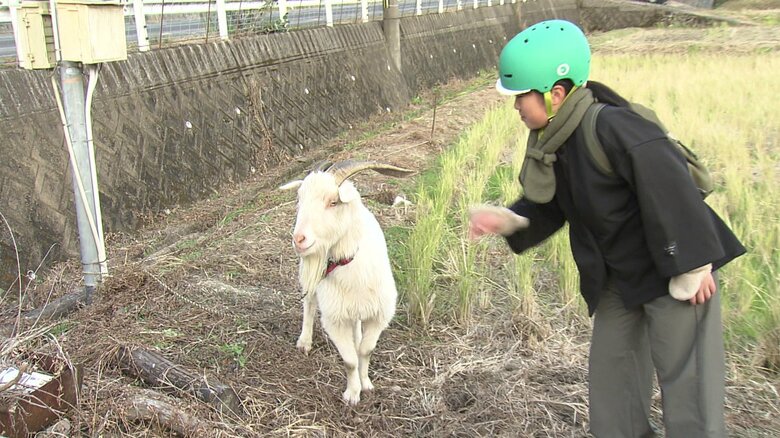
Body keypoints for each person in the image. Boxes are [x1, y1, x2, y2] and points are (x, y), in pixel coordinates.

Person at [468, 19, 745, 438]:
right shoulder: (555, 140)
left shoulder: (612, 126)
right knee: (613, 385)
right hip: (619, 278)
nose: (516, 107)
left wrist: (695, 264)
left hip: (672, 269)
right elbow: (555, 204)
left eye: (520, 96)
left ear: (555, 93)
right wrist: (510, 220)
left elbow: (670, 184)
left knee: (688, 391)